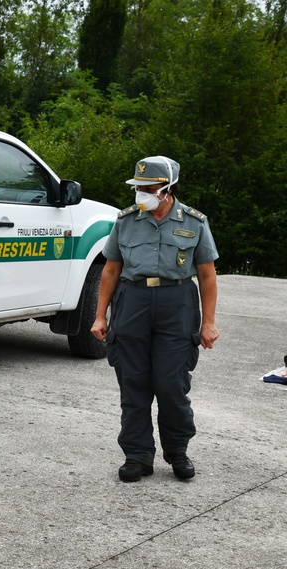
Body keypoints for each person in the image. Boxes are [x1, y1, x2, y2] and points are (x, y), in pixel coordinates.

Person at [91, 156, 219, 482]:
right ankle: (137, 455)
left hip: (177, 304)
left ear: (167, 189)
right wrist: (99, 316)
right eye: (138, 188)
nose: (141, 194)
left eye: (148, 188)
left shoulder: (194, 222)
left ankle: (177, 450)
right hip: (132, 301)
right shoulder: (126, 221)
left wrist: (208, 323)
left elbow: (206, 275)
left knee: (171, 383)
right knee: (133, 383)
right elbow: (110, 270)